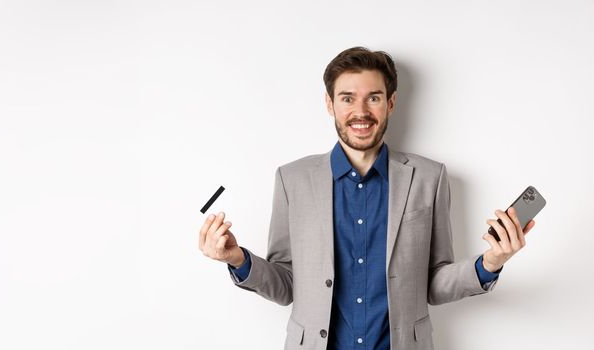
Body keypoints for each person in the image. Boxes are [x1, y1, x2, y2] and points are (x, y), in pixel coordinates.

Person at [196, 47, 535, 350]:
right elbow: (286, 285)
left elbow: (433, 283)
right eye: (347, 98)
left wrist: (491, 262)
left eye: (373, 97)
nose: (361, 111)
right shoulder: (292, 179)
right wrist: (238, 258)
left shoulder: (430, 177)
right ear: (329, 104)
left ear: (391, 102)